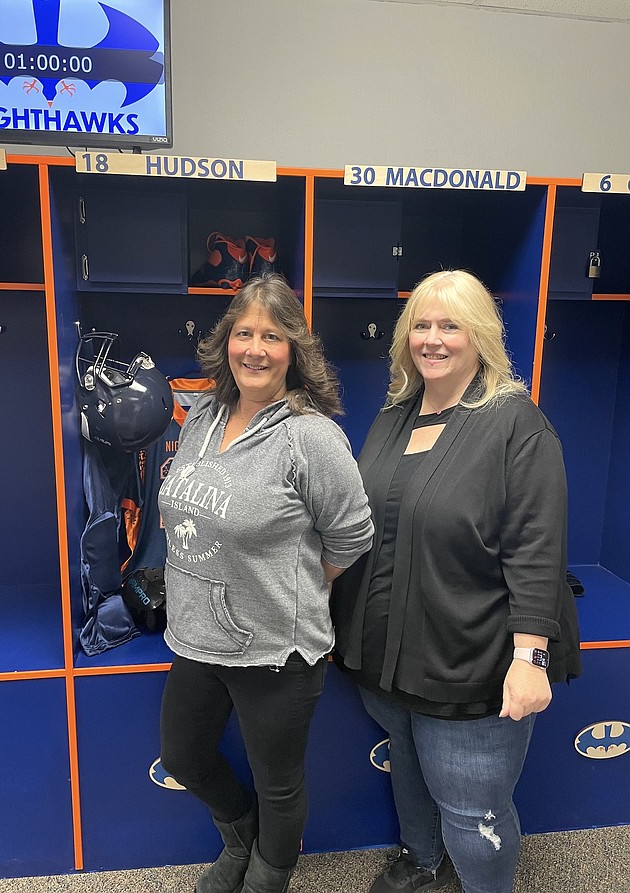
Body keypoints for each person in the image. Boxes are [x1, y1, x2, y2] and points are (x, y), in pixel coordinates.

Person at [331, 270, 581, 893]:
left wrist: (531, 658)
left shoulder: (516, 426)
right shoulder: (395, 415)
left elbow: (537, 551)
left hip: (472, 658)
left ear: (482, 337)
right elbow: (368, 523)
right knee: (409, 770)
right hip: (390, 654)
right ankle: (422, 863)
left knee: (474, 810)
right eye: (421, 324)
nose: (432, 339)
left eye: (451, 325)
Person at [158, 273, 374, 893]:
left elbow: (353, 535)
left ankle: (268, 876)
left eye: (272, 337)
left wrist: (305, 586)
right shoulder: (204, 415)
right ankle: (238, 835)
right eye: (243, 333)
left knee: (279, 781)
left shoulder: (311, 436)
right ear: (226, 341)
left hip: (277, 646)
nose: (254, 348)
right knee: (184, 757)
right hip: (196, 637)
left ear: (294, 351)